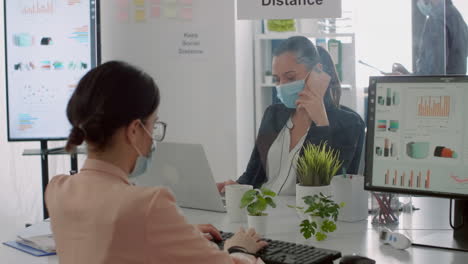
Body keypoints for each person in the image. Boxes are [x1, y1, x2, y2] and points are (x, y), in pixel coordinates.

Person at [45, 61, 267, 264]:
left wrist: (175, 234)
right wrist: (239, 249)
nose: (153, 136)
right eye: (154, 125)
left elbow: (105, 236)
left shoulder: (57, 190)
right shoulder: (148, 205)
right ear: (134, 130)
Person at [218, 36, 365, 195]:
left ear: (317, 71)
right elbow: (253, 175)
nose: (281, 86)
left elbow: (327, 188)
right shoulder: (273, 114)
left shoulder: (349, 124)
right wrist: (235, 187)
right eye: (277, 79)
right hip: (261, 211)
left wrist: (321, 123)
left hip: (305, 216)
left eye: (290, 77)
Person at [393, 0, 468, 75]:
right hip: (455, 85)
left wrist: (403, 79)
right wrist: (407, 75)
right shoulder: (457, 17)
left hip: (440, 86)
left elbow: (432, 75)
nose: (419, 2)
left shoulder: (437, 20)